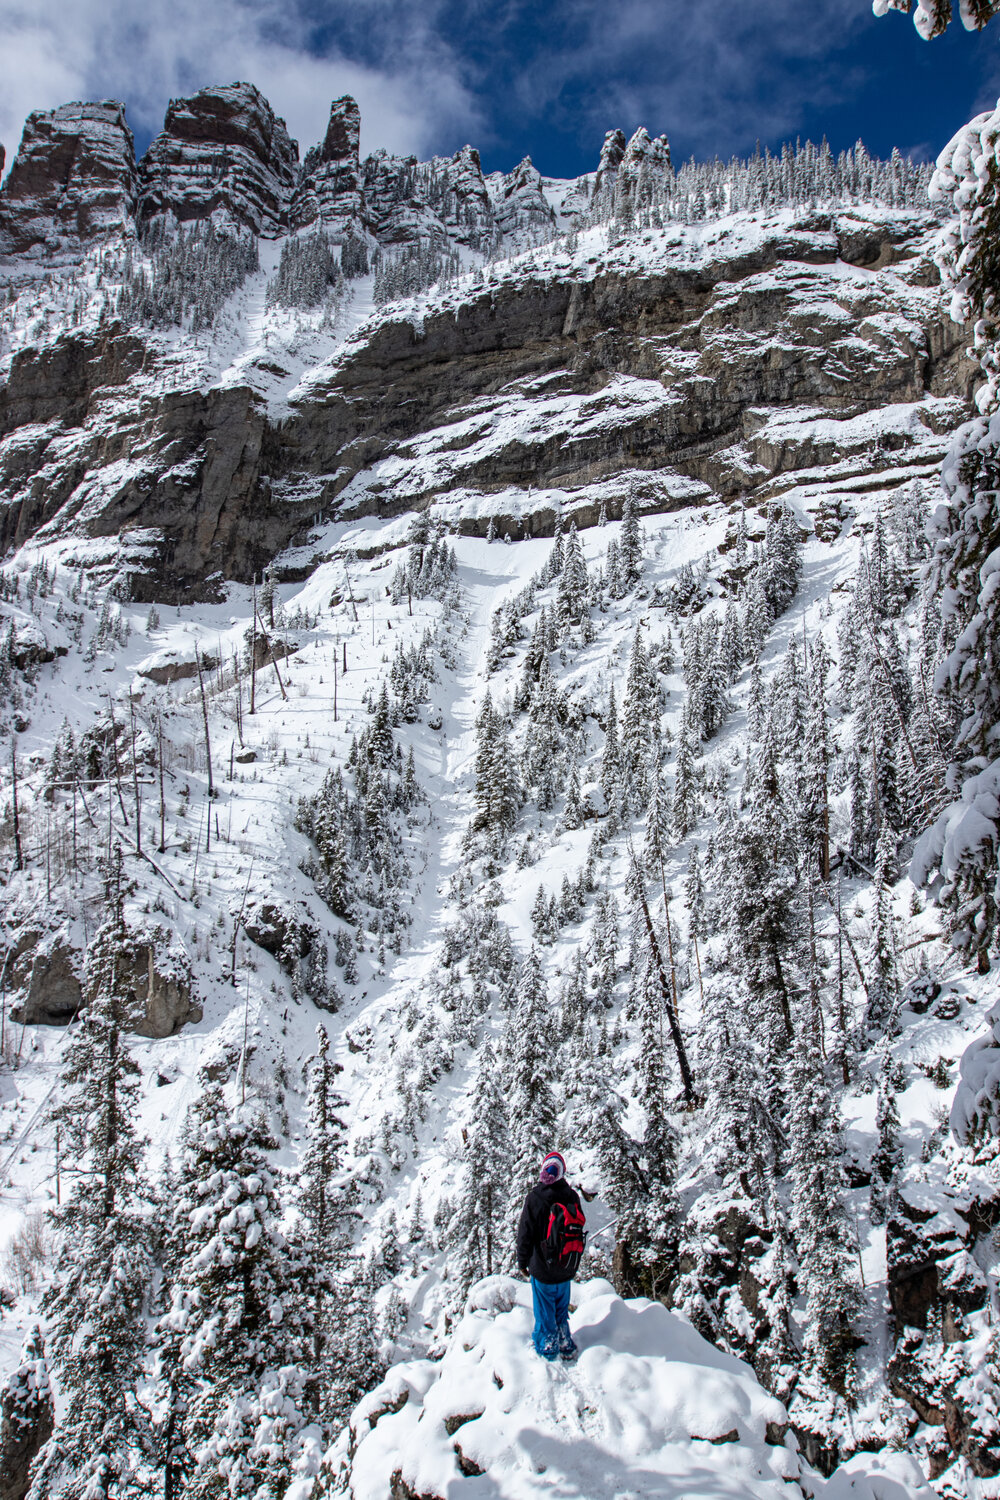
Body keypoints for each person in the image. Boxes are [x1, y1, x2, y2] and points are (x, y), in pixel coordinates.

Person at [516, 1150, 585, 1362]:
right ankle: (565, 1341)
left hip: (543, 1267)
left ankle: (548, 1346)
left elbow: (525, 1233)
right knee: (561, 1308)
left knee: (545, 1309)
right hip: (566, 1266)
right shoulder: (572, 1196)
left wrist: (522, 1261)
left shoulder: (535, 1198)